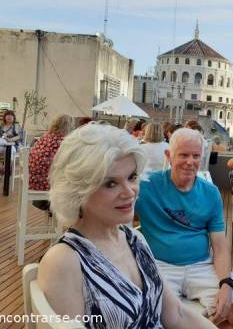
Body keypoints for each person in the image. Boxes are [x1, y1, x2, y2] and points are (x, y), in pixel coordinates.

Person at [37, 123, 216, 329]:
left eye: (132, 177)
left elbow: (176, 314)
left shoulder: (134, 239)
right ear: (78, 191)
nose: (130, 192)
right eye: (110, 183)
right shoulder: (64, 260)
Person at [136, 128, 233, 328]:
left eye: (195, 156)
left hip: (202, 266)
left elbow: (219, 246)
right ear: (168, 156)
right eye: (183, 155)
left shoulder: (210, 193)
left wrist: (226, 285)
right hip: (160, 268)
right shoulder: (146, 186)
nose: (190, 162)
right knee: (154, 320)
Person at [29, 114, 73, 211]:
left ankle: (47, 206)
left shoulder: (45, 136)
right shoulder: (62, 141)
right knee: (72, 185)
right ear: (69, 127)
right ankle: (58, 212)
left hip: (32, 180)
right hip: (45, 183)